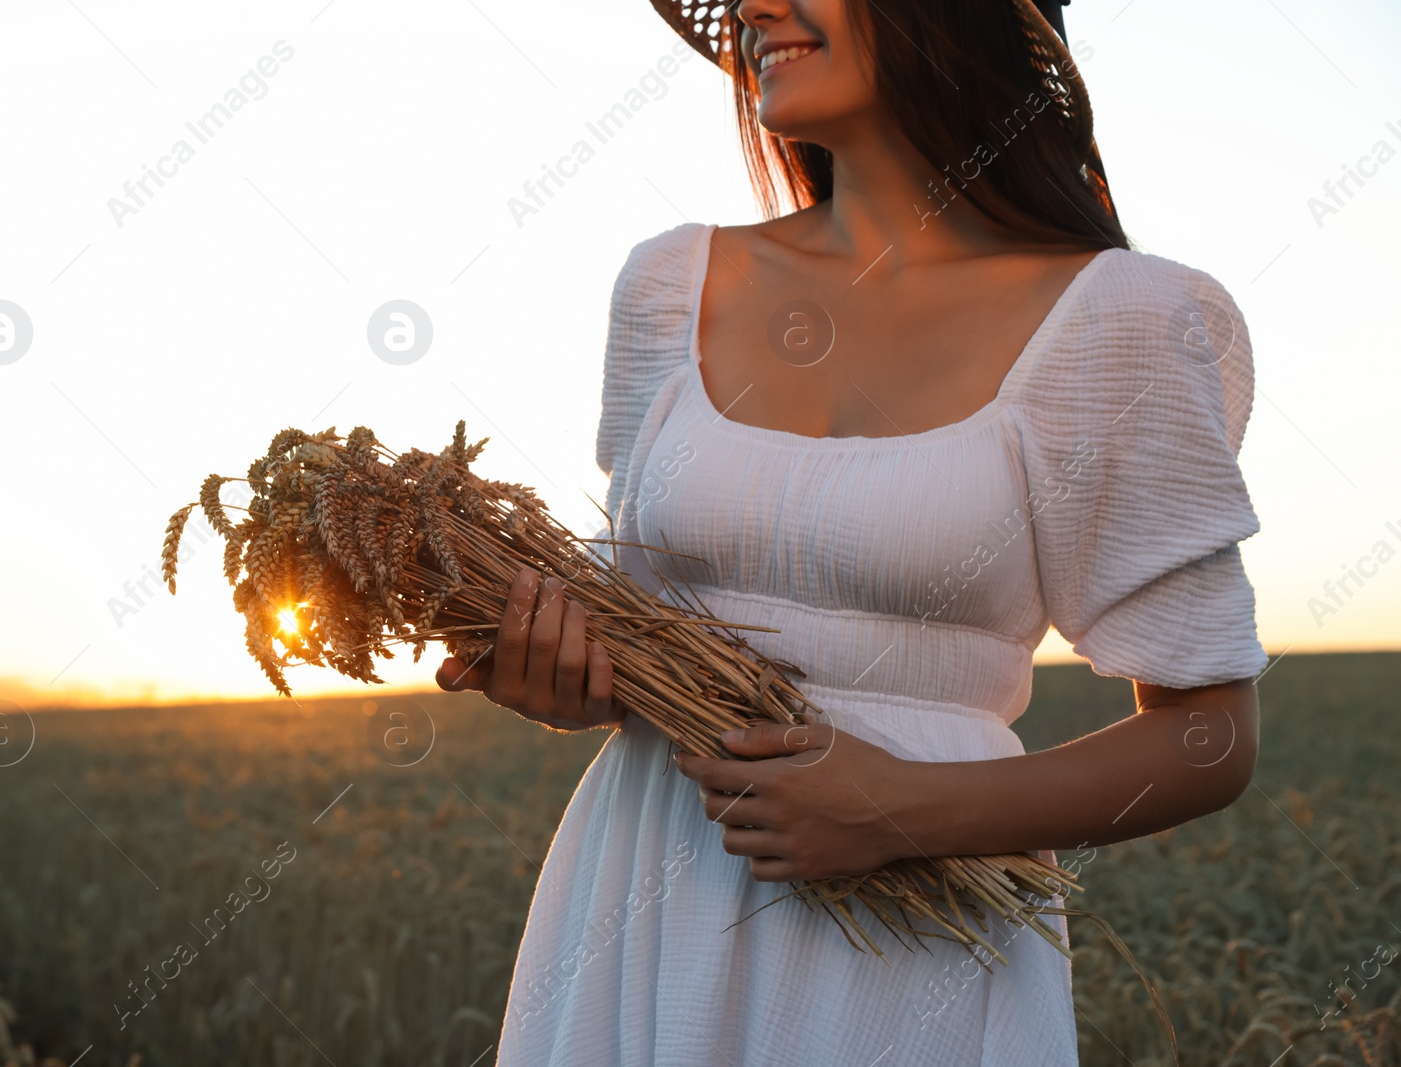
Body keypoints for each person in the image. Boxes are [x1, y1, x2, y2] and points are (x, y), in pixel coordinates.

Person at [438, 1, 1266, 1062]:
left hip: (913, 946)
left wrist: (904, 808)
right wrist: (559, 672)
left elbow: (1209, 738)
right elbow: (632, 610)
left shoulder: (1123, 319)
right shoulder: (668, 284)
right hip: (646, 889)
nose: (751, 6)